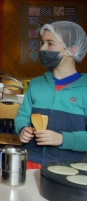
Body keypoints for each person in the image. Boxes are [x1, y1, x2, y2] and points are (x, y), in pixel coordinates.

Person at [15, 21, 87, 167]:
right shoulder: (35, 84)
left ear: (72, 50)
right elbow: (22, 116)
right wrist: (23, 128)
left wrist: (62, 139)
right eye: (42, 42)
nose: (42, 48)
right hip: (30, 162)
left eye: (50, 43)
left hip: (70, 168)